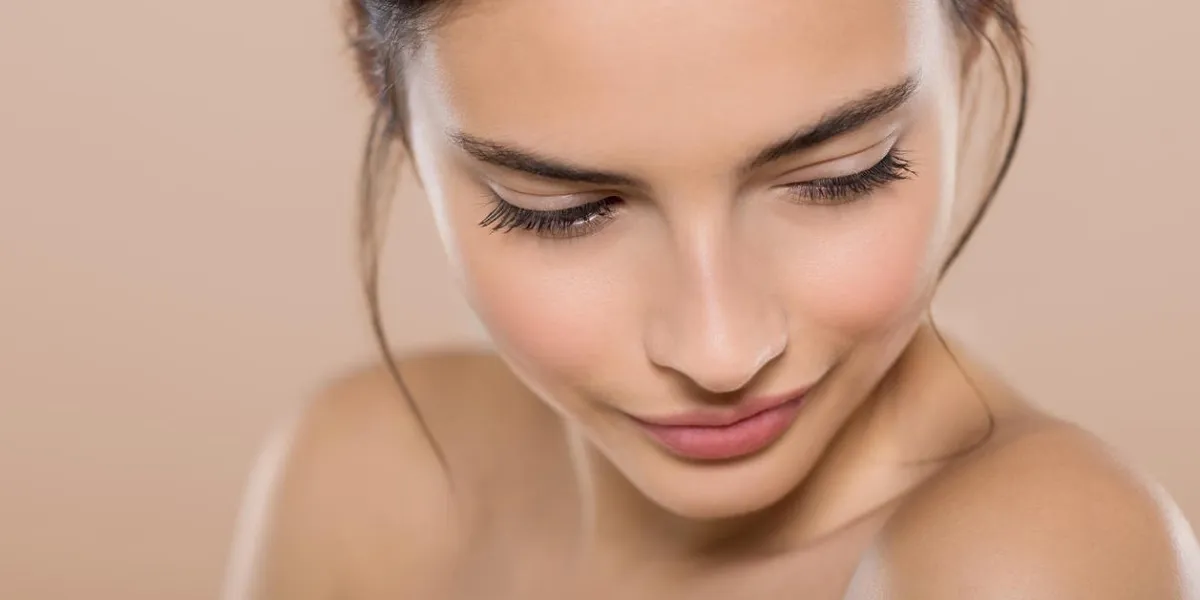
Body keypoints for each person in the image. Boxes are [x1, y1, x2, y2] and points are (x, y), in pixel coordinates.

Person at [224, 1, 1200, 598]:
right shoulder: (360, 474)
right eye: (561, 210)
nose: (720, 349)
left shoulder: (1022, 563)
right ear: (382, 86)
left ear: (974, 34)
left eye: (842, 174)